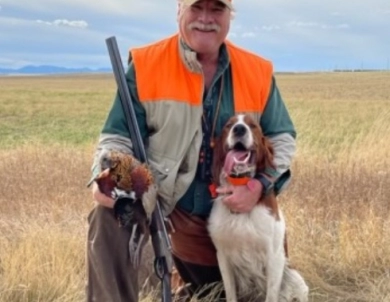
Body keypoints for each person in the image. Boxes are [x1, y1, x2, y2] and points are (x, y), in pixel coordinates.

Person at [86, 0, 297, 301]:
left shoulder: (256, 70)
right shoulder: (147, 64)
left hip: (236, 217)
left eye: (217, 9)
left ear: (229, 16)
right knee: (108, 216)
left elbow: (282, 136)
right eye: (197, 7)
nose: (206, 19)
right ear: (179, 10)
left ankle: (182, 283)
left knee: (242, 292)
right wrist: (110, 174)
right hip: (168, 207)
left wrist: (259, 185)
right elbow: (117, 138)